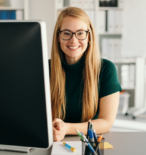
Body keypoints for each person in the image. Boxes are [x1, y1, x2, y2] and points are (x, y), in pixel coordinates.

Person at [50, 7, 122, 142]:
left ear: (89, 37)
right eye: (66, 33)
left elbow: (106, 122)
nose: (73, 40)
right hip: (52, 142)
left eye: (80, 33)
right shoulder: (44, 69)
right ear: (58, 37)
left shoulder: (106, 69)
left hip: (89, 144)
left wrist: (66, 128)